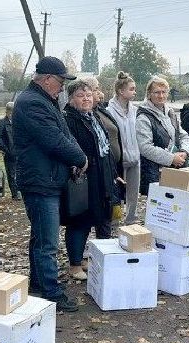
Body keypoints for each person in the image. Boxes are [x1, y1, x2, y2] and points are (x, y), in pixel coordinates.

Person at [12, 56, 87, 313]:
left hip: (47, 178)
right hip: (40, 181)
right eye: (60, 82)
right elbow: (54, 139)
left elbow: (65, 135)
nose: (63, 87)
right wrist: (80, 158)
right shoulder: (32, 103)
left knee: (41, 237)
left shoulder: (44, 100)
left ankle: (38, 284)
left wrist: (76, 157)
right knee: (47, 243)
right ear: (46, 79)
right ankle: (51, 292)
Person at [63, 80, 120, 280]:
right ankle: (75, 264)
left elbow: (106, 149)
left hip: (102, 175)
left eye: (88, 95)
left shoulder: (93, 116)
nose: (86, 99)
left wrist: (114, 173)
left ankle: (86, 257)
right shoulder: (69, 119)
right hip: (83, 177)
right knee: (80, 220)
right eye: (81, 96)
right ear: (71, 99)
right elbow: (71, 149)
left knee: (99, 216)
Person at [136, 76, 189, 195]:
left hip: (174, 170)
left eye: (164, 92)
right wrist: (171, 158)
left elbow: (183, 136)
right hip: (153, 174)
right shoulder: (143, 117)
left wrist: (184, 151)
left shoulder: (170, 113)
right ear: (149, 94)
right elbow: (145, 148)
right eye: (157, 92)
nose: (161, 96)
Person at [107, 71, 141, 225]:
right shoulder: (109, 111)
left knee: (133, 191)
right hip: (119, 159)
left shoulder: (135, 110)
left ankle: (131, 219)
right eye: (131, 89)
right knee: (116, 192)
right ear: (121, 91)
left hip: (135, 157)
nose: (135, 92)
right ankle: (114, 221)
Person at [0, 102, 20, 200]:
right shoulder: (1, 123)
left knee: (21, 172)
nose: (13, 114)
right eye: (11, 112)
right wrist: (6, 149)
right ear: (7, 112)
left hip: (21, 152)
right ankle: (15, 194)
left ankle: (21, 191)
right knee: (11, 174)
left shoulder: (19, 122)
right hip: (10, 153)